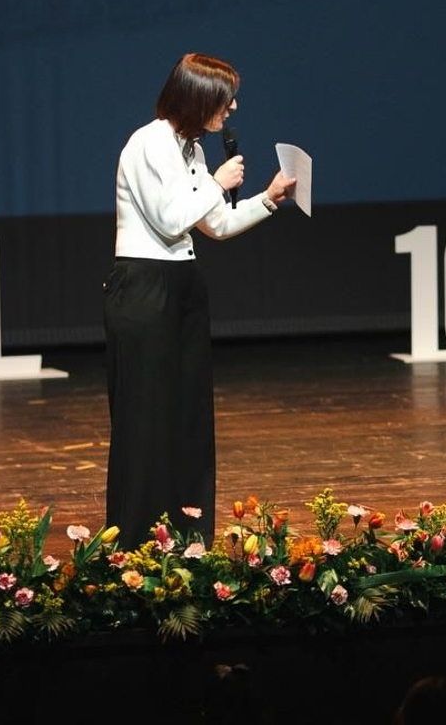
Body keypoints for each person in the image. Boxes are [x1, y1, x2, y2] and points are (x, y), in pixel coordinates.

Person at [104, 53, 295, 545]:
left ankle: (188, 539)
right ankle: (136, 544)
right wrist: (216, 184)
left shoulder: (192, 151)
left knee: (187, 421)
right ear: (199, 97)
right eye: (225, 99)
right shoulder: (148, 143)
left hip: (184, 286)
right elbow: (170, 221)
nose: (231, 108)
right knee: (146, 422)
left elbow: (216, 225)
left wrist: (269, 199)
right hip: (145, 288)